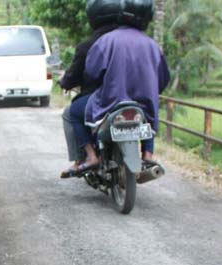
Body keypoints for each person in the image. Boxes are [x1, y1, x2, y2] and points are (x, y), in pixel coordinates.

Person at [61, 20, 170, 179]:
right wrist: (150, 90)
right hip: (143, 100)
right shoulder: (152, 44)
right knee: (148, 113)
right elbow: (164, 77)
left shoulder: (106, 41)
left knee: (75, 111)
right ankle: (148, 154)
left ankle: (91, 156)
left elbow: (93, 72)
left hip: (112, 99)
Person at [58, 20, 118, 175]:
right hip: (130, 95)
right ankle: (148, 154)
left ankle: (84, 158)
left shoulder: (90, 46)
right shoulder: (132, 43)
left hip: (99, 97)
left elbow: (80, 75)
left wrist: (65, 82)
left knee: (71, 113)